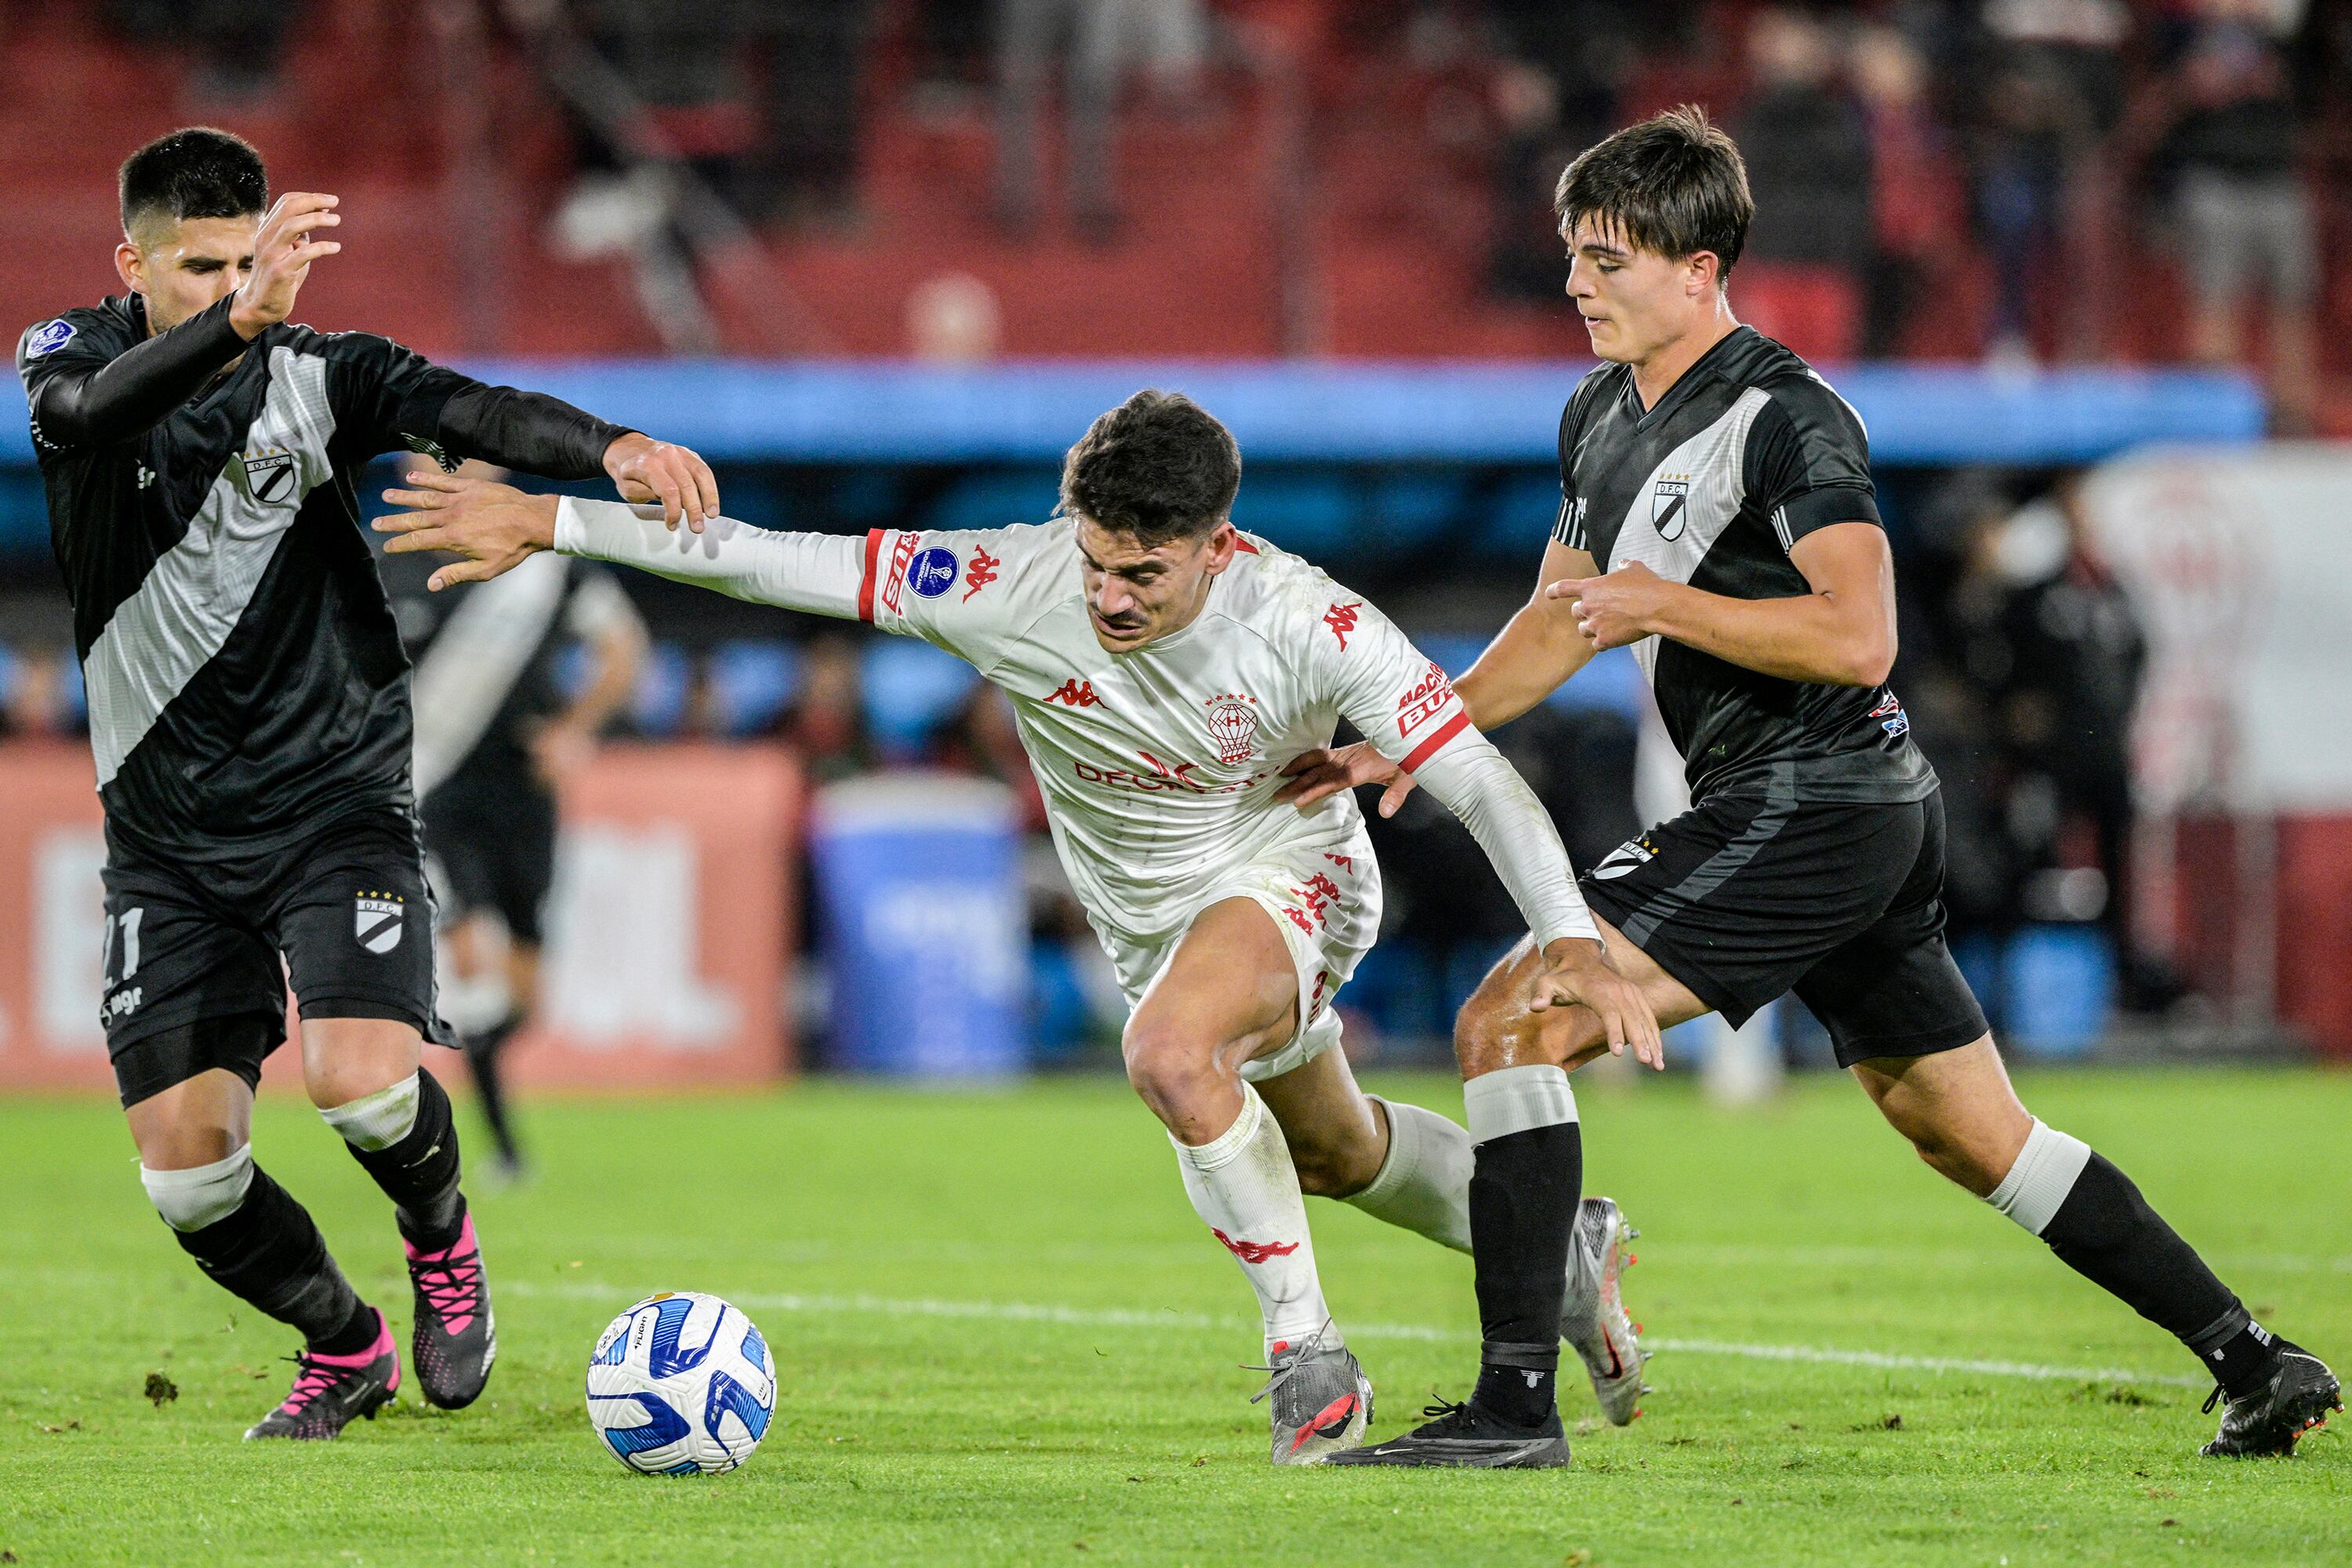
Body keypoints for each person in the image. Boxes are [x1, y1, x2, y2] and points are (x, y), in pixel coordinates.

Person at [1285, 107, 2339, 1465]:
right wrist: (1411, 732)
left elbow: (1859, 635)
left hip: (1815, 792)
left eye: (1605, 259)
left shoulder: (1787, 415)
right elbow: (1562, 616)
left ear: (1699, 266)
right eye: (1572, 255)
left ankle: (1512, 1411)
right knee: (1970, 1133)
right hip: (1831, 809)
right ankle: (2254, 1360)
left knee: (1514, 1020)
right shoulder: (1598, 414)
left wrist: (1668, 600)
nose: (1574, 285)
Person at [376, 389, 1661, 1466]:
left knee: (1168, 1056)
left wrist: (1567, 931)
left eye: (1142, 574)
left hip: (1288, 873)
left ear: (1220, 547)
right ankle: (1560, 1249)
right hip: (1147, 916)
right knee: (1332, 1150)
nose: (1106, 596)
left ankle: (1307, 1359)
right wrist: (554, 520)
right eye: (1095, 559)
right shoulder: (1010, 579)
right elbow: (772, 556)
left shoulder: (1309, 622)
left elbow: (1478, 778)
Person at [16, 126, 718, 1440]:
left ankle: (443, 1239)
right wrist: (235, 322)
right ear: (133, 264)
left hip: (333, 801)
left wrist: (611, 445)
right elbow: (77, 421)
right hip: (165, 841)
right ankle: (343, 1348)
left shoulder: (317, 378)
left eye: (248, 264)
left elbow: (469, 409)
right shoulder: (70, 359)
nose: (234, 287)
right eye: (201, 269)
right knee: (188, 1181)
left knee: (361, 1084)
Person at [379, 478, 651, 1181]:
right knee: (469, 965)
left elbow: (623, 647)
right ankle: (492, 1152)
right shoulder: (387, 556)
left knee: (523, 1000)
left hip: (525, 794)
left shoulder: (545, 557)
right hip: (437, 793)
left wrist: (575, 730)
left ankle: (482, 1100)